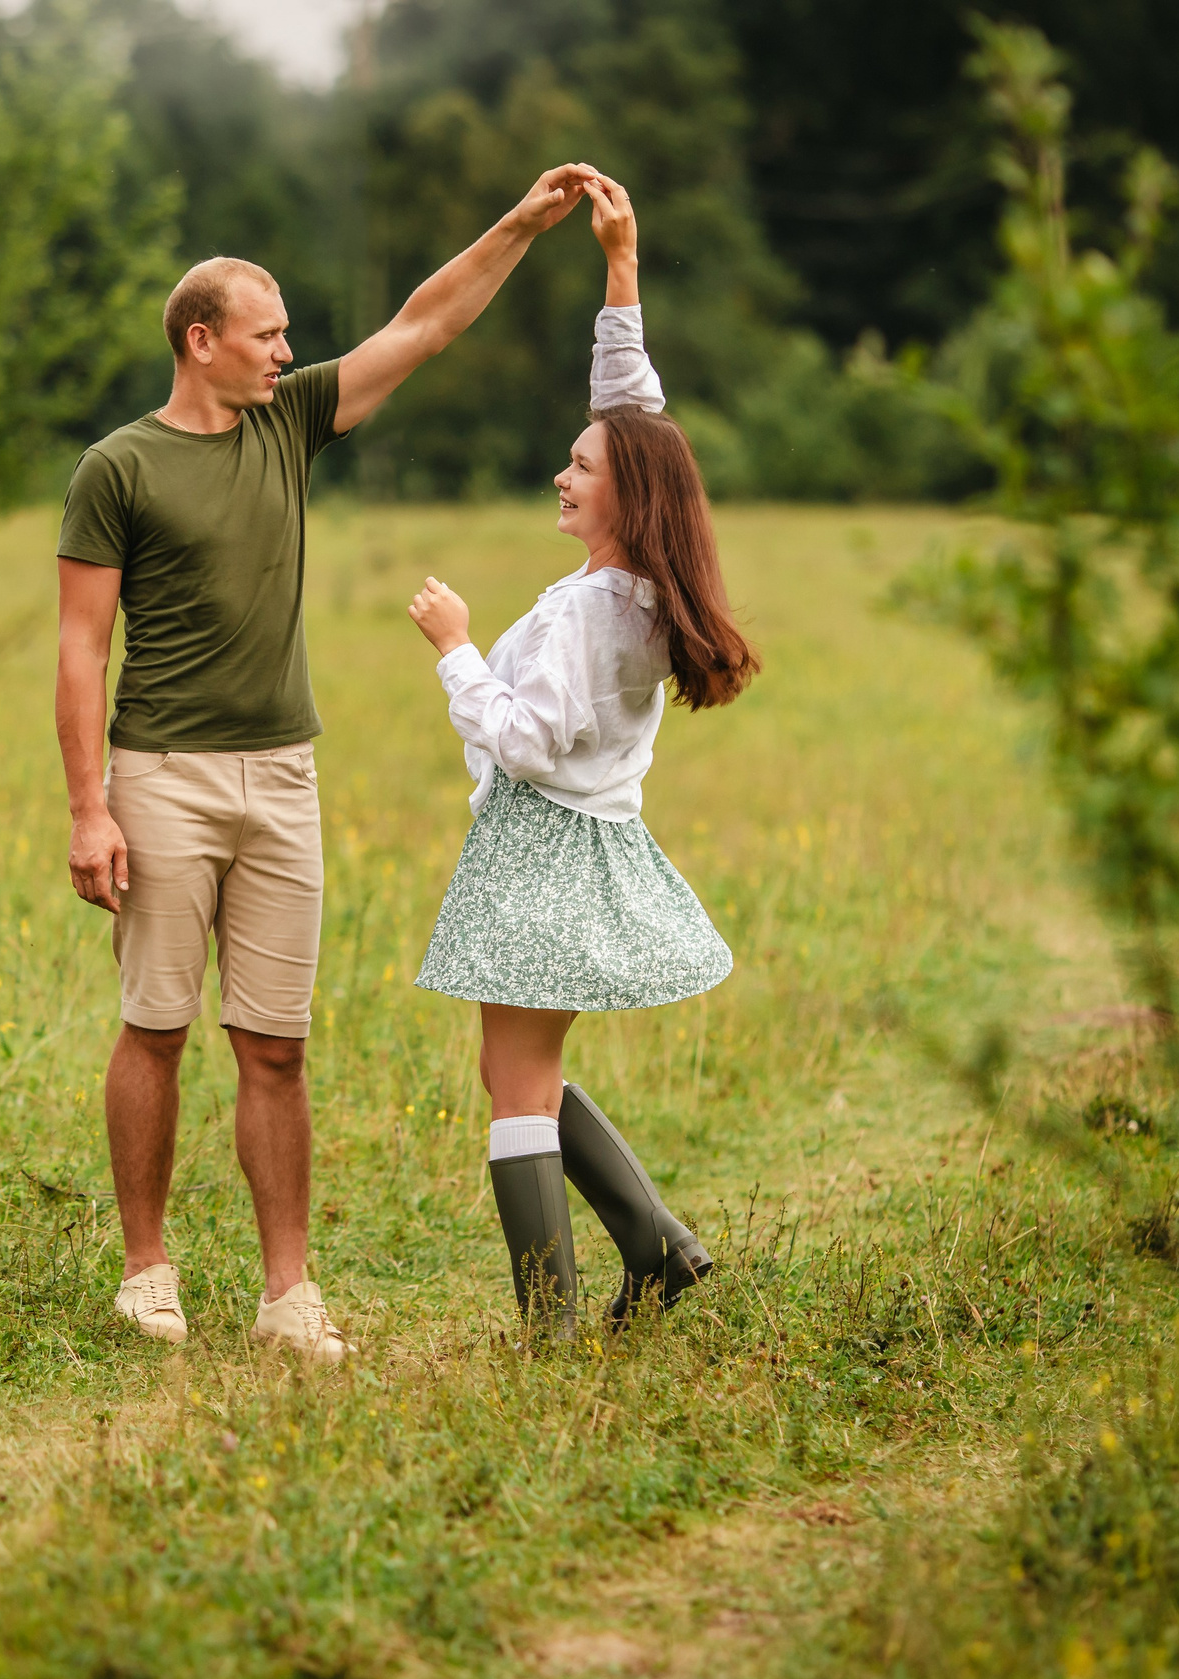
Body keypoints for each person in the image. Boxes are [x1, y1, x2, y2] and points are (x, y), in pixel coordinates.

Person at [56, 163, 605, 1363]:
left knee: (276, 1044)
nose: (285, 351)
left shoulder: (290, 420)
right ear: (201, 341)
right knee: (155, 1026)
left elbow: (425, 324)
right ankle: (147, 1271)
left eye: (287, 335)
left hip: (283, 777)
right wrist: (90, 807)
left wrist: (520, 223)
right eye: (266, 335)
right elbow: (81, 646)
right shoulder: (118, 468)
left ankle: (287, 1295)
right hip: (161, 774)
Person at [405, 174, 760, 1339]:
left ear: (626, 496)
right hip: (588, 844)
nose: (562, 475)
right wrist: (620, 267)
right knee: (520, 1074)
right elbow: (631, 415)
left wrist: (457, 650)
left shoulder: (585, 615)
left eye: (579, 468)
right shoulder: (646, 586)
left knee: (515, 1089)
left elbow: (524, 741)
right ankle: (658, 1250)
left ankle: (551, 1323)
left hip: (539, 848)